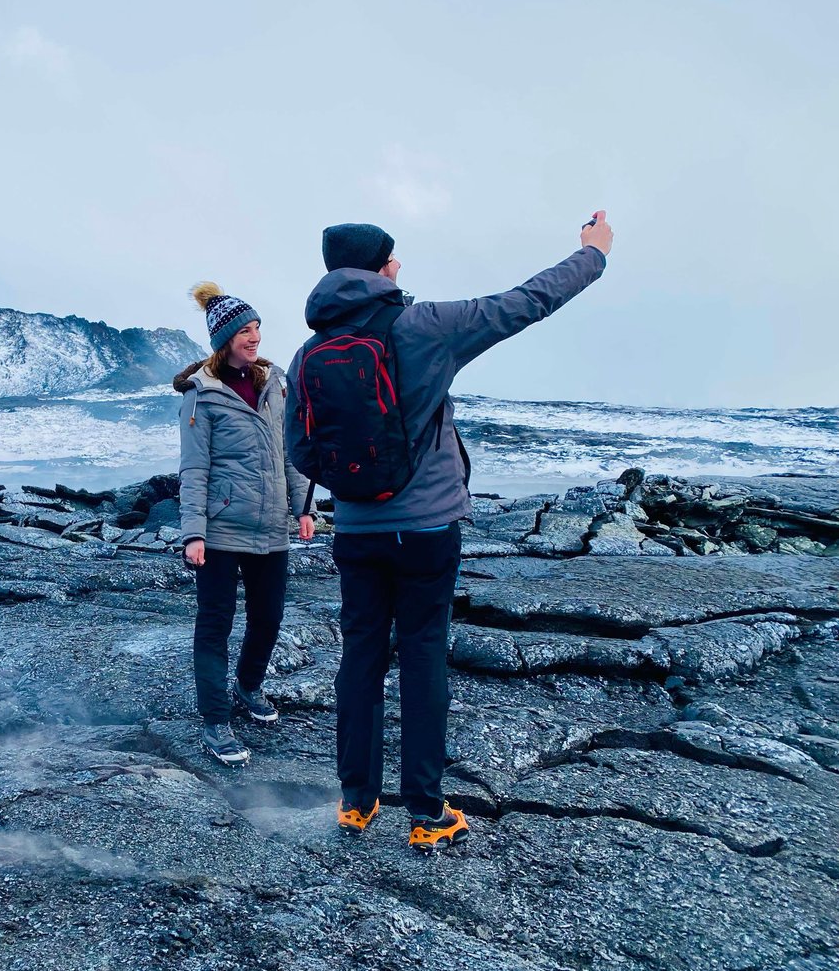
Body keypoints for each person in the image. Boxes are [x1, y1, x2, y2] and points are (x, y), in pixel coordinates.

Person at [285, 213, 614, 849]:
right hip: (428, 527)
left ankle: (356, 801)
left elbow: (300, 448)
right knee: (424, 655)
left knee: (360, 655)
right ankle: (426, 813)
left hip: (354, 530)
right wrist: (593, 255)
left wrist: (355, 488)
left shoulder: (308, 353)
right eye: (393, 258)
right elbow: (526, 302)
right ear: (378, 266)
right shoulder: (424, 326)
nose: (400, 266)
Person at [175, 282, 316, 767]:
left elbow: (290, 453)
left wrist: (303, 509)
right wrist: (193, 532)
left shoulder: (274, 385)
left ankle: (248, 686)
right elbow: (194, 469)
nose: (254, 337)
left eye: (257, 328)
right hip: (219, 531)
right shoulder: (203, 396)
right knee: (215, 625)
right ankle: (215, 721)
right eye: (245, 331)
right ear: (225, 339)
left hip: (271, 526)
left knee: (269, 618)